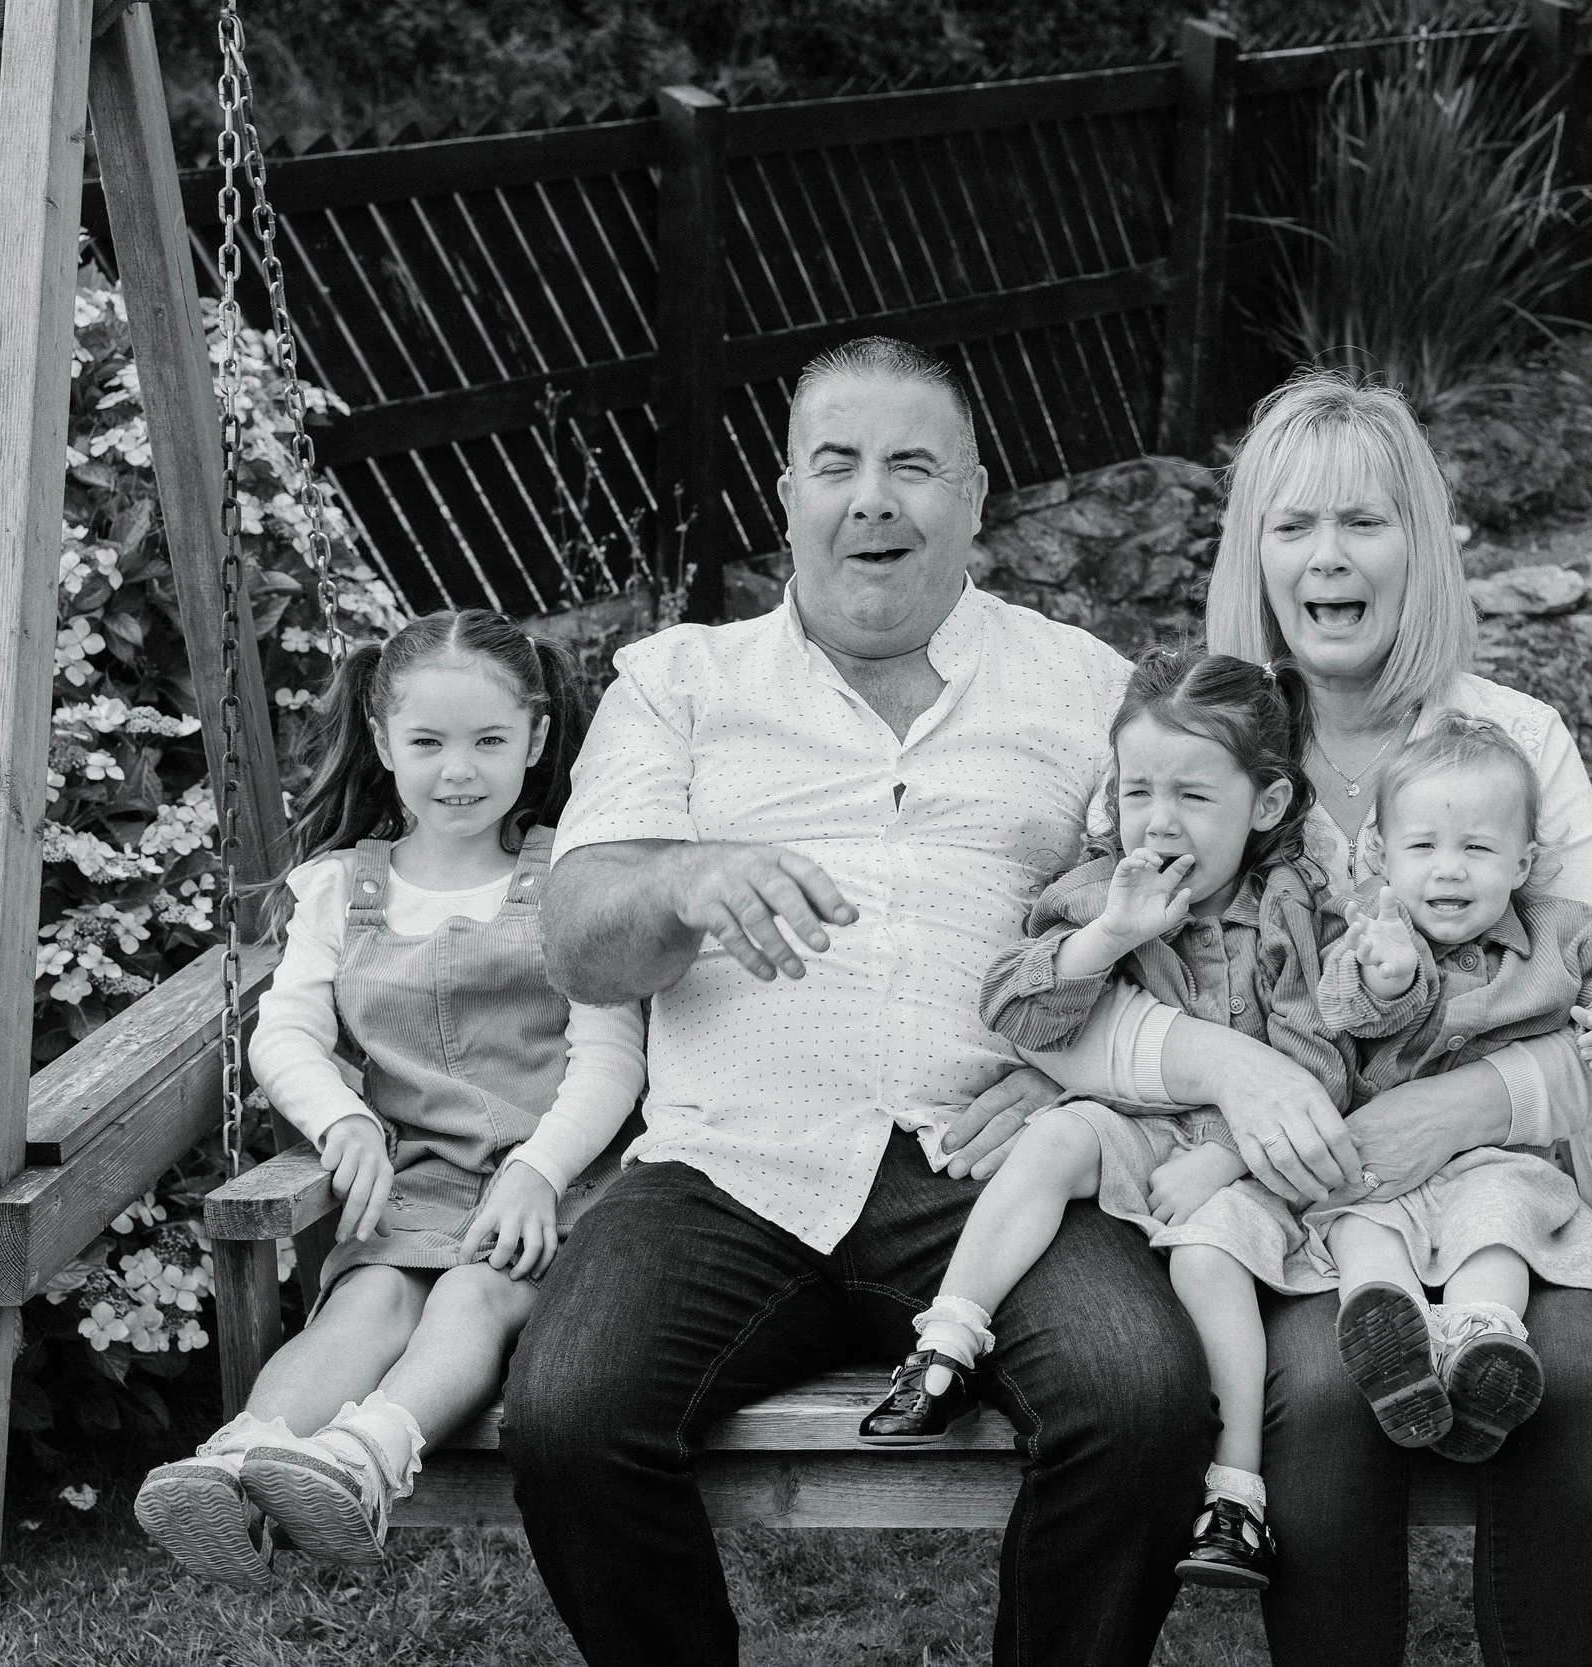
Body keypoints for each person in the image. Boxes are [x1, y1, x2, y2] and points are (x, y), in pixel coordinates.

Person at [512, 338, 1343, 1667]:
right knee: (569, 1412)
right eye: (836, 464)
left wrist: (1071, 1066)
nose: (872, 498)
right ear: (786, 494)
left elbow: (1171, 910)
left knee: (1138, 1398)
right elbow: (577, 942)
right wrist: (683, 877)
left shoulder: (1080, 686)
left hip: (989, 1165)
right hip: (732, 1163)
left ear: (974, 495)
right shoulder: (680, 681)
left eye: (912, 464)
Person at [1007, 369, 1592, 1665]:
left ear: (1422, 544)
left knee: (1567, 1386)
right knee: (1332, 1391)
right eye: (1291, 525)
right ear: (1253, 553)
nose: (1327, 556)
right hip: (1293, 1200)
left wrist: (1456, 1104)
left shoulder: (1511, 739)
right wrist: (1226, 1069)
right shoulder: (1208, 742)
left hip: (1505, 1179)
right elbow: (1081, 988)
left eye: (1364, 521)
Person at [134, 610, 638, 1585]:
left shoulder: (572, 876)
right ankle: (237, 1461)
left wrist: (540, 1169)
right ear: (381, 740)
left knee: (474, 1292)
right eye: (429, 742)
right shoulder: (339, 889)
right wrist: (347, 1118)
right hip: (418, 1181)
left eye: (489, 740)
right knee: (365, 1300)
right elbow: (285, 1032)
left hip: (560, 1188)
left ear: (537, 739)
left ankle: (365, 1459)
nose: (459, 769)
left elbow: (610, 1056)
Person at [855, 647, 1342, 1593]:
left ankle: (1235, 1494)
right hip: (1135, 1133)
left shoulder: (1292, 912)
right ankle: (947, 1341)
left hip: (1250, 1169)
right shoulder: (1099, 890)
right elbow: (1016, 1009)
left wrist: (1227, 1158)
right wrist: (1112, 934)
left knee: (1208, 1256)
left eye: (1194, 796)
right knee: (1055, 1136)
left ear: (1268, 803)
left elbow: (1319, 1067)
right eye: (1138, 791)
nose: (1159, 821)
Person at [1310, 714, 1592, 1463]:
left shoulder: (1567, 933)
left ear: (1523, 861)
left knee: (1498, 1220)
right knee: (1360, 1231)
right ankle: (1396, 1347)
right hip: (1383, 1174)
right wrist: (1390, 981)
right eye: (1423, 847)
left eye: (1477, 848)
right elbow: (1341, 1012)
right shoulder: (1372, 936)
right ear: (1381, 854)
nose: (1449, 870)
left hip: (1499, 1158)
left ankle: (1482, 1342)